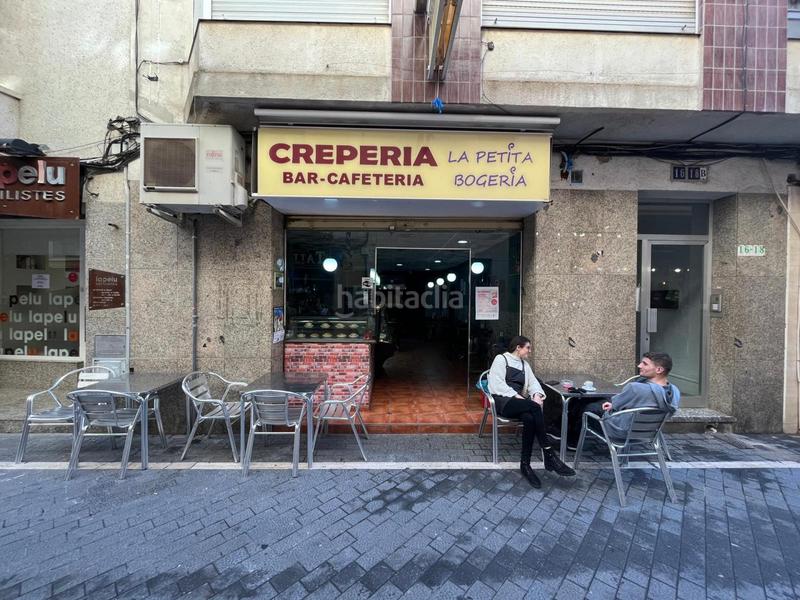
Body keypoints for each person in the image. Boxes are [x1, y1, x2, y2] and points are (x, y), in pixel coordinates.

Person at [488, 335, 575, 488]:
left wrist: (536, 394)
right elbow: (496, 384)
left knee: (529, 418)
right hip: (503, 401)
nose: (529, 351)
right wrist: (519, 397)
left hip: (520, 402)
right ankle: (549, 453)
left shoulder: (524, 365)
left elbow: (534, 383)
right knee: (534, 408)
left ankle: (525, 465)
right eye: (527, 347)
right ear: (518, 347)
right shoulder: (501, 359)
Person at [580, 352, 681, 442]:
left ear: (659, 370)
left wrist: (612, 405)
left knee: (586, 407)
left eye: (645, 364)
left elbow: (615, 405)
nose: (639, 365)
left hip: (620, 431)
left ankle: (574, 444)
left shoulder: (635, 388)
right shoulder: (675, 391)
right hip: (650, 432)